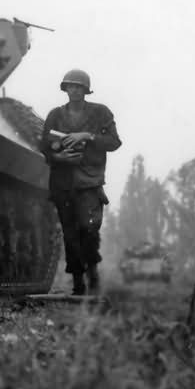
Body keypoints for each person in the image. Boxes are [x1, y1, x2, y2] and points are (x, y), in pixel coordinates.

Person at [41, 68, 121, 296]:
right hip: (63, 182)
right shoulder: (55, 115)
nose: (74, 90)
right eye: (70, 86)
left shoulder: (100, 113)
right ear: (65, 89)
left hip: (89, 181)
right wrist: (58, 156)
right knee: (70, 232)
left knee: (89, 228)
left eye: (78, 87)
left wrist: (87, 136)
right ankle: (78, 282)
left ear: (86, 90)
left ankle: (92, 273)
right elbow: (44, 147)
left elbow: (114, 142)